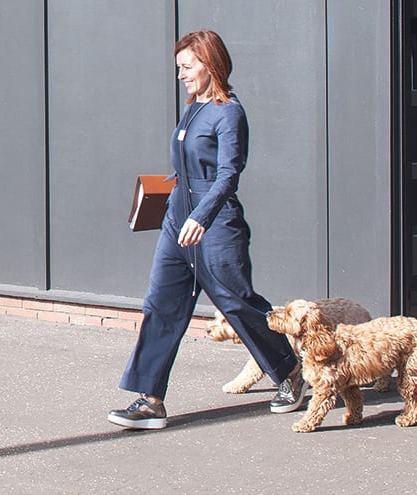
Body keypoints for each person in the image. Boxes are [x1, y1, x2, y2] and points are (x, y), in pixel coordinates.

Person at [108, 30, 306, 430]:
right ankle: (149, 400)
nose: (181, 74)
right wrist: (164, 191)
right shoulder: (193, 108)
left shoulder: (229, 112)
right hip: (175, 222)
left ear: (210, 64)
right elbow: (190, 167)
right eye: (178, 67)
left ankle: (291, 373)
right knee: (161, 305)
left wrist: (202, 216)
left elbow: (229, 174)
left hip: (215, 226)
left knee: (238, 305)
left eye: (187, 66)